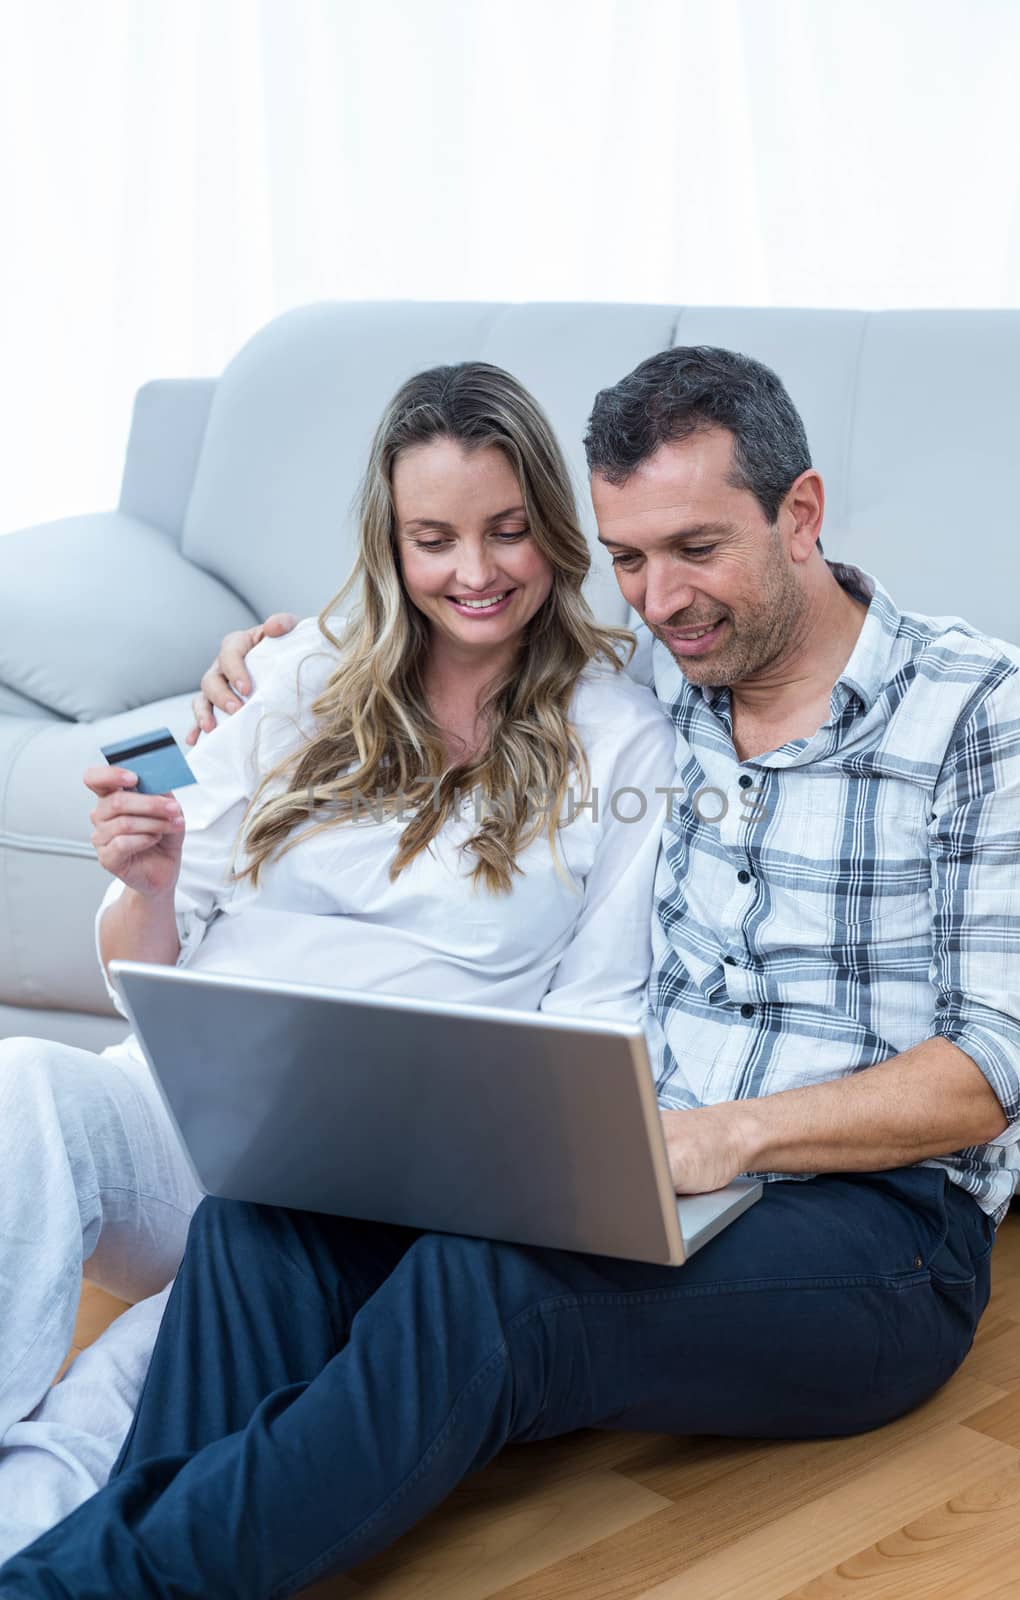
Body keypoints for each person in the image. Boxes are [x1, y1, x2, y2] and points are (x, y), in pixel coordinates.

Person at [4, 345, 1020, 1597]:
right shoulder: (664, 684)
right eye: (627, 559)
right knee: (258, 1224)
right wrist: (269, 654)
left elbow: (1001, 1070)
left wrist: (725, 1136)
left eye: (694, 548)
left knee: (485, 1289)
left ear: (801, 514)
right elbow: (452, 635)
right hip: (639, 1177)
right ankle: (111, 1558)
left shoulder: (979, 705)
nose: (661, 599)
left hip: (877, 1231)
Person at [0, 363, 674, 1558]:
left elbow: (595, 1023)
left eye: (508, 531)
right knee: (24, 1087)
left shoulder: (618, 735)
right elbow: (139, 965)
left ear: (554, 532)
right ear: (389, 541)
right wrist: (149, 884)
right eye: (435, 538)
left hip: (357, 1189)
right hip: (182, 1117)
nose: (475, 572)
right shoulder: (298, 673)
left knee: (134, 1384)